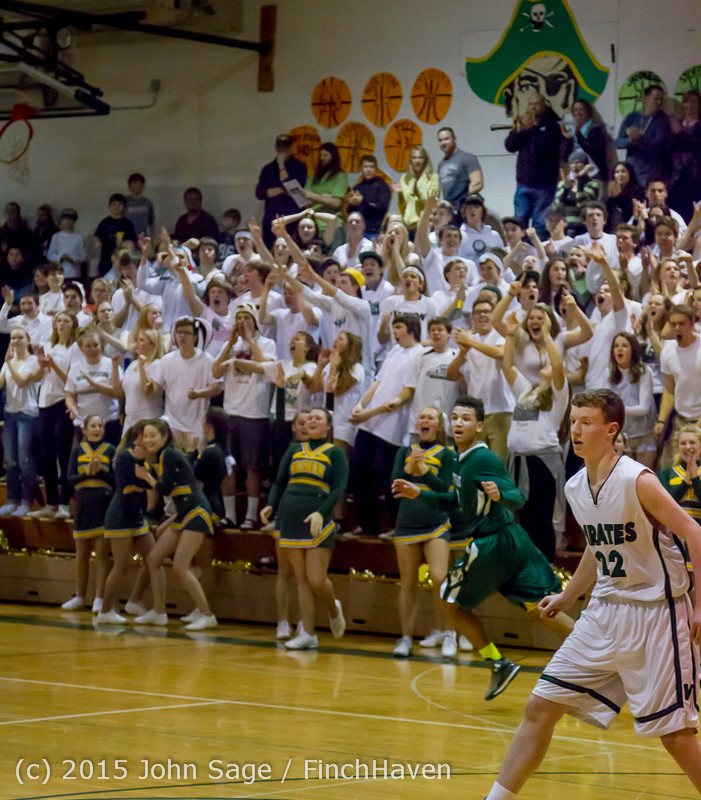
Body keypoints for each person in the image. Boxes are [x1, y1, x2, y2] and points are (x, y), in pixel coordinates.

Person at [484, 388, 701, 800]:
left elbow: (694, 532)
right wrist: (569, 597)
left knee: (676, 737)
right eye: (573, 421)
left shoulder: (637, 480)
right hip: (604, 611)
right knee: (541, 706)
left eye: (586, 422)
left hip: (656, 613)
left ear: (611, 430)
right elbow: (595, 547)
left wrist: (700, 607)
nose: (576, 430)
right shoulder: (576, 486)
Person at [392, 396, 573, 700]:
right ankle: (600, 659)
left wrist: (500, 493)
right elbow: (458, 501)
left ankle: (498, 662)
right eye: (455, 418)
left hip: (492, 543)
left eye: (466, 419)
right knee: (541, 608)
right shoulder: (461, 459)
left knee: (449, 601)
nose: (459, 423)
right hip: (512, 541)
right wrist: (419, 490)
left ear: (479, 426)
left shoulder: (483, 458)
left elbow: (516, 498)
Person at [260, 407, 348, 650]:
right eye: (309, 418)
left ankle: (333, 609)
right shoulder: (294, 449)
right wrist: (270, 505)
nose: (311, 421)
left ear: (328, 427)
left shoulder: (336, 453)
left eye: (317, 418)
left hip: (318, 519)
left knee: (316, 579)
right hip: (289, 517)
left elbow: (340, 487)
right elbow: (279, 481)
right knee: (301, 579)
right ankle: (308, 633)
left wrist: (321, 511)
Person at [135, 419, 217, 631]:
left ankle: (207, 614)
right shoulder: (162, 457)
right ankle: (159, 612)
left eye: (153, 435)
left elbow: (164, 489)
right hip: (183, 513)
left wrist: (147, 477)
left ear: (164, 437)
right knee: (153, 559)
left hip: (196, 512)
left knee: (180, 566)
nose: (148, 439)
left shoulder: (169, 455)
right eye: (145, 436)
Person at [502, 310, 569, 562]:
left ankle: (547, 572)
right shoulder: (526, 390)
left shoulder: (558, 394)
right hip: (518, 460)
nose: (547, 366)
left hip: (542, 462)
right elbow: (508, 365)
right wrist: (510, 335)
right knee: (524, 518)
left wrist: (548, 335)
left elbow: (559, 364)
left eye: (550, 365)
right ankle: (528, 571)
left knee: (541, 518)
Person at [390, 407, 455, 657]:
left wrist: (424, 470)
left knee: (440, 578)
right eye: (422, 417)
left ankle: (449, 633)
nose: (425, 421)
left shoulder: (447, 455)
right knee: (407, 582)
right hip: (406, 523)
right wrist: (410, 466)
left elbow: (445, 489)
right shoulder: (404, 452)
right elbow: (394, 485)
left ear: (439, 426)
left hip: (436, 522)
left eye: (431, 417)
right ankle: (405, 638)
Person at [97, 422, 155, 625]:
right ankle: (105, 611)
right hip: (120, 515)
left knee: (154, 558)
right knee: (121, 565)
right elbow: (135, 482)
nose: (149, 439)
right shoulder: (124, 455)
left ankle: (135, 600)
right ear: (136, 436)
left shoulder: (141, 457)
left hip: (135, 515)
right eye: (146, 435)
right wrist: (146, 468)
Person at [61, 415, 115, 614]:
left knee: (102, 555)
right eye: (93, 426)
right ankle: (80, 596)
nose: (97, 429)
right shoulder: (76, 449)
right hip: (82, 505)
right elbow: (69, 479)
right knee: (81, 554)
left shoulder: (111, 450)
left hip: (103, 504)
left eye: (100, 425)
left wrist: (100, 472)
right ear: (84, 429)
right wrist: (88, 474)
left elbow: (116, 481)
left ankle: (99, 598)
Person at [30, 311, 80, 520]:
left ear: (73, 324)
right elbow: (41, 376)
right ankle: (50, 502)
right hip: (45, 403)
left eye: (66, 320)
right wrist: (42, 368)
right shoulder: (48, 345)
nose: (61, 324)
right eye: (58, 320)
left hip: (62, 403)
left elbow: (72, 379)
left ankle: (63, 503)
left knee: (64, 454)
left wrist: (54, 366)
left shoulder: (75, 348)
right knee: (46, 455)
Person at [504, 92, 570, 237]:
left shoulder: (553, 125)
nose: (533, 107)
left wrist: (531, 129)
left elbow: (548, 148)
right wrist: (521, 131)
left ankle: (537, 254)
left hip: (544, 185)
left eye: (537, 104)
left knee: (540, 224)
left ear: (544, 105)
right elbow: (510, 146)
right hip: (523, 183)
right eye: (531, 104)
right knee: (519, 222)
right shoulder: (523, 123)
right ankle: (520, 253)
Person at [0, 327, 42, 517]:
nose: (16, 341)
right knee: (10, 461)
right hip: (10, 414)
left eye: (19, 337)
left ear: (27, 340)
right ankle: (12, 500)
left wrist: (9, 364)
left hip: (28, 414)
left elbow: (23, 382)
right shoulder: (8, 363)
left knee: (25, 460)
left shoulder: (32, 361)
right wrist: (7, 364)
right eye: (13, 338)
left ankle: (26, 501)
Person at [64, 329, 123, 445]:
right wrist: (72, 407)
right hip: (84, 422)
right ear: (81, 349)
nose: (93, 349)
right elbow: (69, 396)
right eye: (88, 346)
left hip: (109, 419)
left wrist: (94, 384)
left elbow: (118, 393)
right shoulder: (76, 368)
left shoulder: (111, 364)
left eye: (95, 345)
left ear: (101, 346)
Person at [255, 133, 308, 247]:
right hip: (271, 218)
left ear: (291, 147)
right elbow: (259, 193)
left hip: (292, 217)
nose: (282, 150)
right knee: (271, 251)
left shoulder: (300, 166)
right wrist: (279, 190)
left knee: (292, 250)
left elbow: (292, 189)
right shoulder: (267, 169)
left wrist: (281, 165)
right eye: (280, 147)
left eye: (285, 147)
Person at [614, 84, 671, 189]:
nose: (659, 103)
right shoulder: (631, 117)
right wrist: (631, 140)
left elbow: (659, 147)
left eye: (661, 100)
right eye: (656, 99)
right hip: (630, 170)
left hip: (650, 172)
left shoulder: (663, 120)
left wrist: (640, 138)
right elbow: (617, 143)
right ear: (646, 98)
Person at [303, 143, 348, 245]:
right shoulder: (312, 178)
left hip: (334, 227)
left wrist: (313, 196)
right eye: (321, 155)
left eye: (325, 155)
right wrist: (325, 197)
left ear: (333, 157)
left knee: (334, 260)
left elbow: (336, 203)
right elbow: (305, 202)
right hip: (314, 227)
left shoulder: (340, 176)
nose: (322, 158)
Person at [658, 424, 701, 525]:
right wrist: (686, 480)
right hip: (675, 528)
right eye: (683, 443)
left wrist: (695, 477)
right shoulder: (667, 473)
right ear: (678, 447)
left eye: (692, 442)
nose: (687, 447)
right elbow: (666, 505)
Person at [391, 146, 439, 234]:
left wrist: (418, 194)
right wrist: (400, 194)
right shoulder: (405, 178)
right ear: (410, 161)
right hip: (408, 225)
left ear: (425, 160)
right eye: (414, 158)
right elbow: (403, 207)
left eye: (420, 158)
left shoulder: (433, 177)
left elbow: (432, 203)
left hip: (426, 225)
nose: (417, 161)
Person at [436, 127, 483, 214]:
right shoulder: (441, 164)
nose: (443, 142)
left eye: (446, 139)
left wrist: (459, 200)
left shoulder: (467, 158)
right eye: (440, 140)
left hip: (464, 209)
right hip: (450, 209)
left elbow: (478, 183)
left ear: (454, 139)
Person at [347, 154, 391, 236]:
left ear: (375, 169)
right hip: (359, 231)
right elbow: (351, 212)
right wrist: (352, 203)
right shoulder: (357, 188)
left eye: (371, 167)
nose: (368, 170)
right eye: (366, 167)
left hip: (376, 231)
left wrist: (362, 201)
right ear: (361, 168)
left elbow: (382, 207)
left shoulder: (382, 185)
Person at [94, 193, 137, 276]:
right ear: (109, 206)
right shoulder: (104, 222)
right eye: (113, 204)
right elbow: (98, 240)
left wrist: (122, 244)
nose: (116, 207)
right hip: (105, 259)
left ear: (124, 207)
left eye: (120, 204)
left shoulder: (127, 223)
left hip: (122, 260)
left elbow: (132, 243)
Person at [124, 172, 155, 238]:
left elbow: (151, 223)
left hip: (143, 239)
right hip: (127, 239)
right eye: (135, 183)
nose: (137, 186)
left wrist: (152, 239)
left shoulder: (147, 202)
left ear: (143, 186)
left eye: (140, 183)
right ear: (129, 186)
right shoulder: (124, 201)